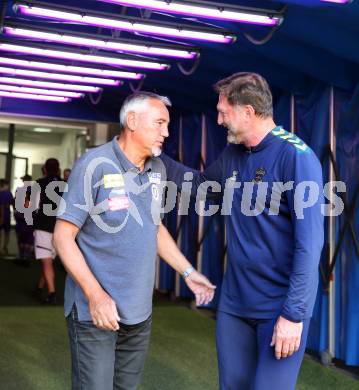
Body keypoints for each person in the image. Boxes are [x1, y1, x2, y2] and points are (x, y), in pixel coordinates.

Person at [160, 72, 324, 390]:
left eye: (223, 112)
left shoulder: (296, 157)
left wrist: (294, 315)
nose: (219, 120)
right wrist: (156, 158)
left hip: (279, 308)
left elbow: (310, 244)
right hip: (235, 305)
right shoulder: (234, 153)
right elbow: (204, 187)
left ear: (247, 112)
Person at [53, 92, 215, 390]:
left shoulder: (158, 169)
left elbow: (154, 228)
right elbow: (63, 237)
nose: (166, 133)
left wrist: (188, 273)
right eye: (159, 123)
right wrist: (95, 295)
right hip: (94, 312)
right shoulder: (94, 165)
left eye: (167, 125)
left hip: (138, 313)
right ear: (132, 121)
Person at [33, 158, 62, 304]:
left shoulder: (38, 183)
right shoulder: (66, 185)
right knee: (48, 260)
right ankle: (39, 288)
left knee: (46, 262)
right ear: (58, 169)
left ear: (44, 169)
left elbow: (29, 205)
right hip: (60, 229)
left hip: (43, 226)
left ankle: (52, 293)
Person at [14, 174, 34, 264]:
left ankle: (22, 255)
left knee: (21, 237)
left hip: (21, 217)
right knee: (28, 238)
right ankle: (26, 256)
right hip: (29, 217)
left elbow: (15, 203)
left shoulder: (19, 190)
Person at [0, 179, 14, 256]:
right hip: (5, 215)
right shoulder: (8, 193)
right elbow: (11, 203)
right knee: (7, 232)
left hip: (4, 215)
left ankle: (3, 248)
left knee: (3, 232)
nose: (8, 186)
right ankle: (5, 247)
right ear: (4, 185)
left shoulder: (4, 193)